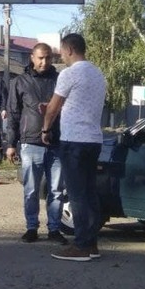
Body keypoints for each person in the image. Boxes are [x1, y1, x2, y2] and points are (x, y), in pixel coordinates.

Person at [41, 33, 107, 262]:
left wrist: (46, 129)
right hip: (94, 139)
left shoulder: (69, 74)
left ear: (69, 49)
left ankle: (80, 246)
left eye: (61, 51)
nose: (61, 55)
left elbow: (53, 107)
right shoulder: (98, 73)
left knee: (77, 194)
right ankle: (92, 243)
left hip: (74, 140)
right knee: (89, 192)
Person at [5, 44, 66, 244]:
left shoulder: (59, 81)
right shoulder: (20, 82)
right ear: (32, 57)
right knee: (31, 190)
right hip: (30, 143)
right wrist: (11, 144)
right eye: (40, 58)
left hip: (57, 143)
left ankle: (54, 230)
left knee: (56, 191)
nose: (44, 62)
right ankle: (31, 227)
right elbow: (13, 114)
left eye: (48, 58)